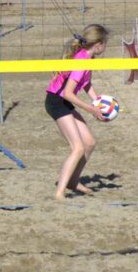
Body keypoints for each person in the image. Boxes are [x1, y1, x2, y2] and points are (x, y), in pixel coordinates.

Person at [44, 25, 110, 200]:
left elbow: (86, 82)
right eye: (105, 44)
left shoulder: (89, 57)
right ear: (98, 44)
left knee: (89, 142)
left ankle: (73, 182)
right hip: (57, 102)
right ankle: (59, 192)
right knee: (78, 147)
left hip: (65, 101)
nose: (106, 47)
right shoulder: (81, 60)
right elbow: (68, 93)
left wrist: (97, 102)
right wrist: (91, 109)